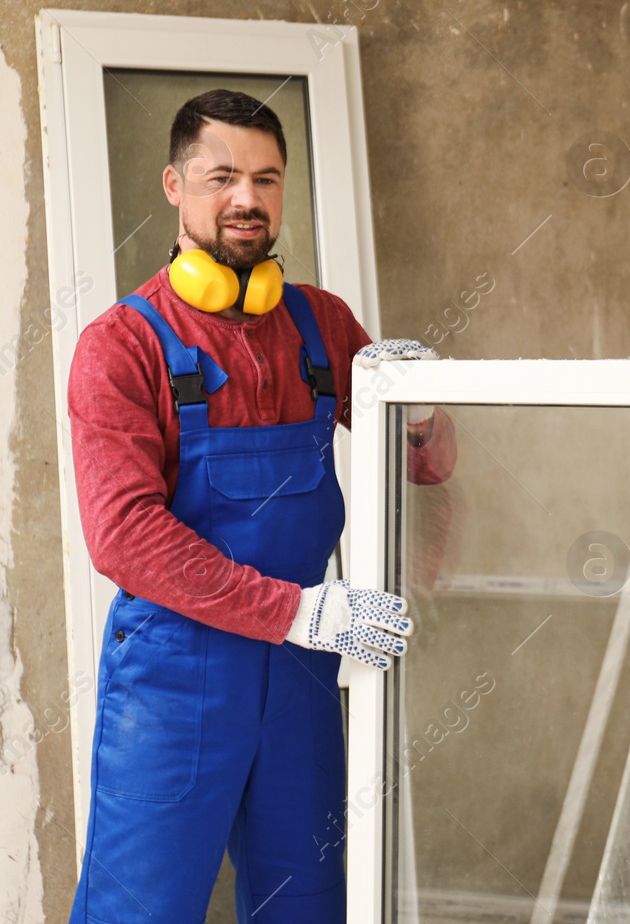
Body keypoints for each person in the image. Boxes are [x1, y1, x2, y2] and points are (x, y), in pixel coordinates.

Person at [67, 89, 457, 923]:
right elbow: (125, 536)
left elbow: (428, 468)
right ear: (175, 186)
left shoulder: (321, 324)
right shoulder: (122, 345)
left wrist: (421, 406)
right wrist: (297, 613)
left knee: (308, 902)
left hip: (301, 675)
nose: (247, 198)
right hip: (179, 673)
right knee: (142, 905)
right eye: (222, 177)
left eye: (267, 178)